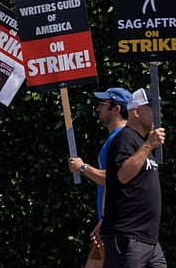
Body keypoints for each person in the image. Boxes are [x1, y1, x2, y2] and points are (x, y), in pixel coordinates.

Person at [99, 88, 168, 268]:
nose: (160, 113)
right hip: (127, 236)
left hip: (147, 239)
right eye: (154, 108)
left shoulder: (142, 142)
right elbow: (122, 175)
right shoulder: (125, 139)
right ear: (136, 111)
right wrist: (148, 146)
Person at [67, 87, 130, 268]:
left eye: (103, 104)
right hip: (107, 223)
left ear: (116, 108)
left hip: (115, 225)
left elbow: (115, 179)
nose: (98, 108)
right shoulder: (115, 138)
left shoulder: (122, 139)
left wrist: (83, 168)